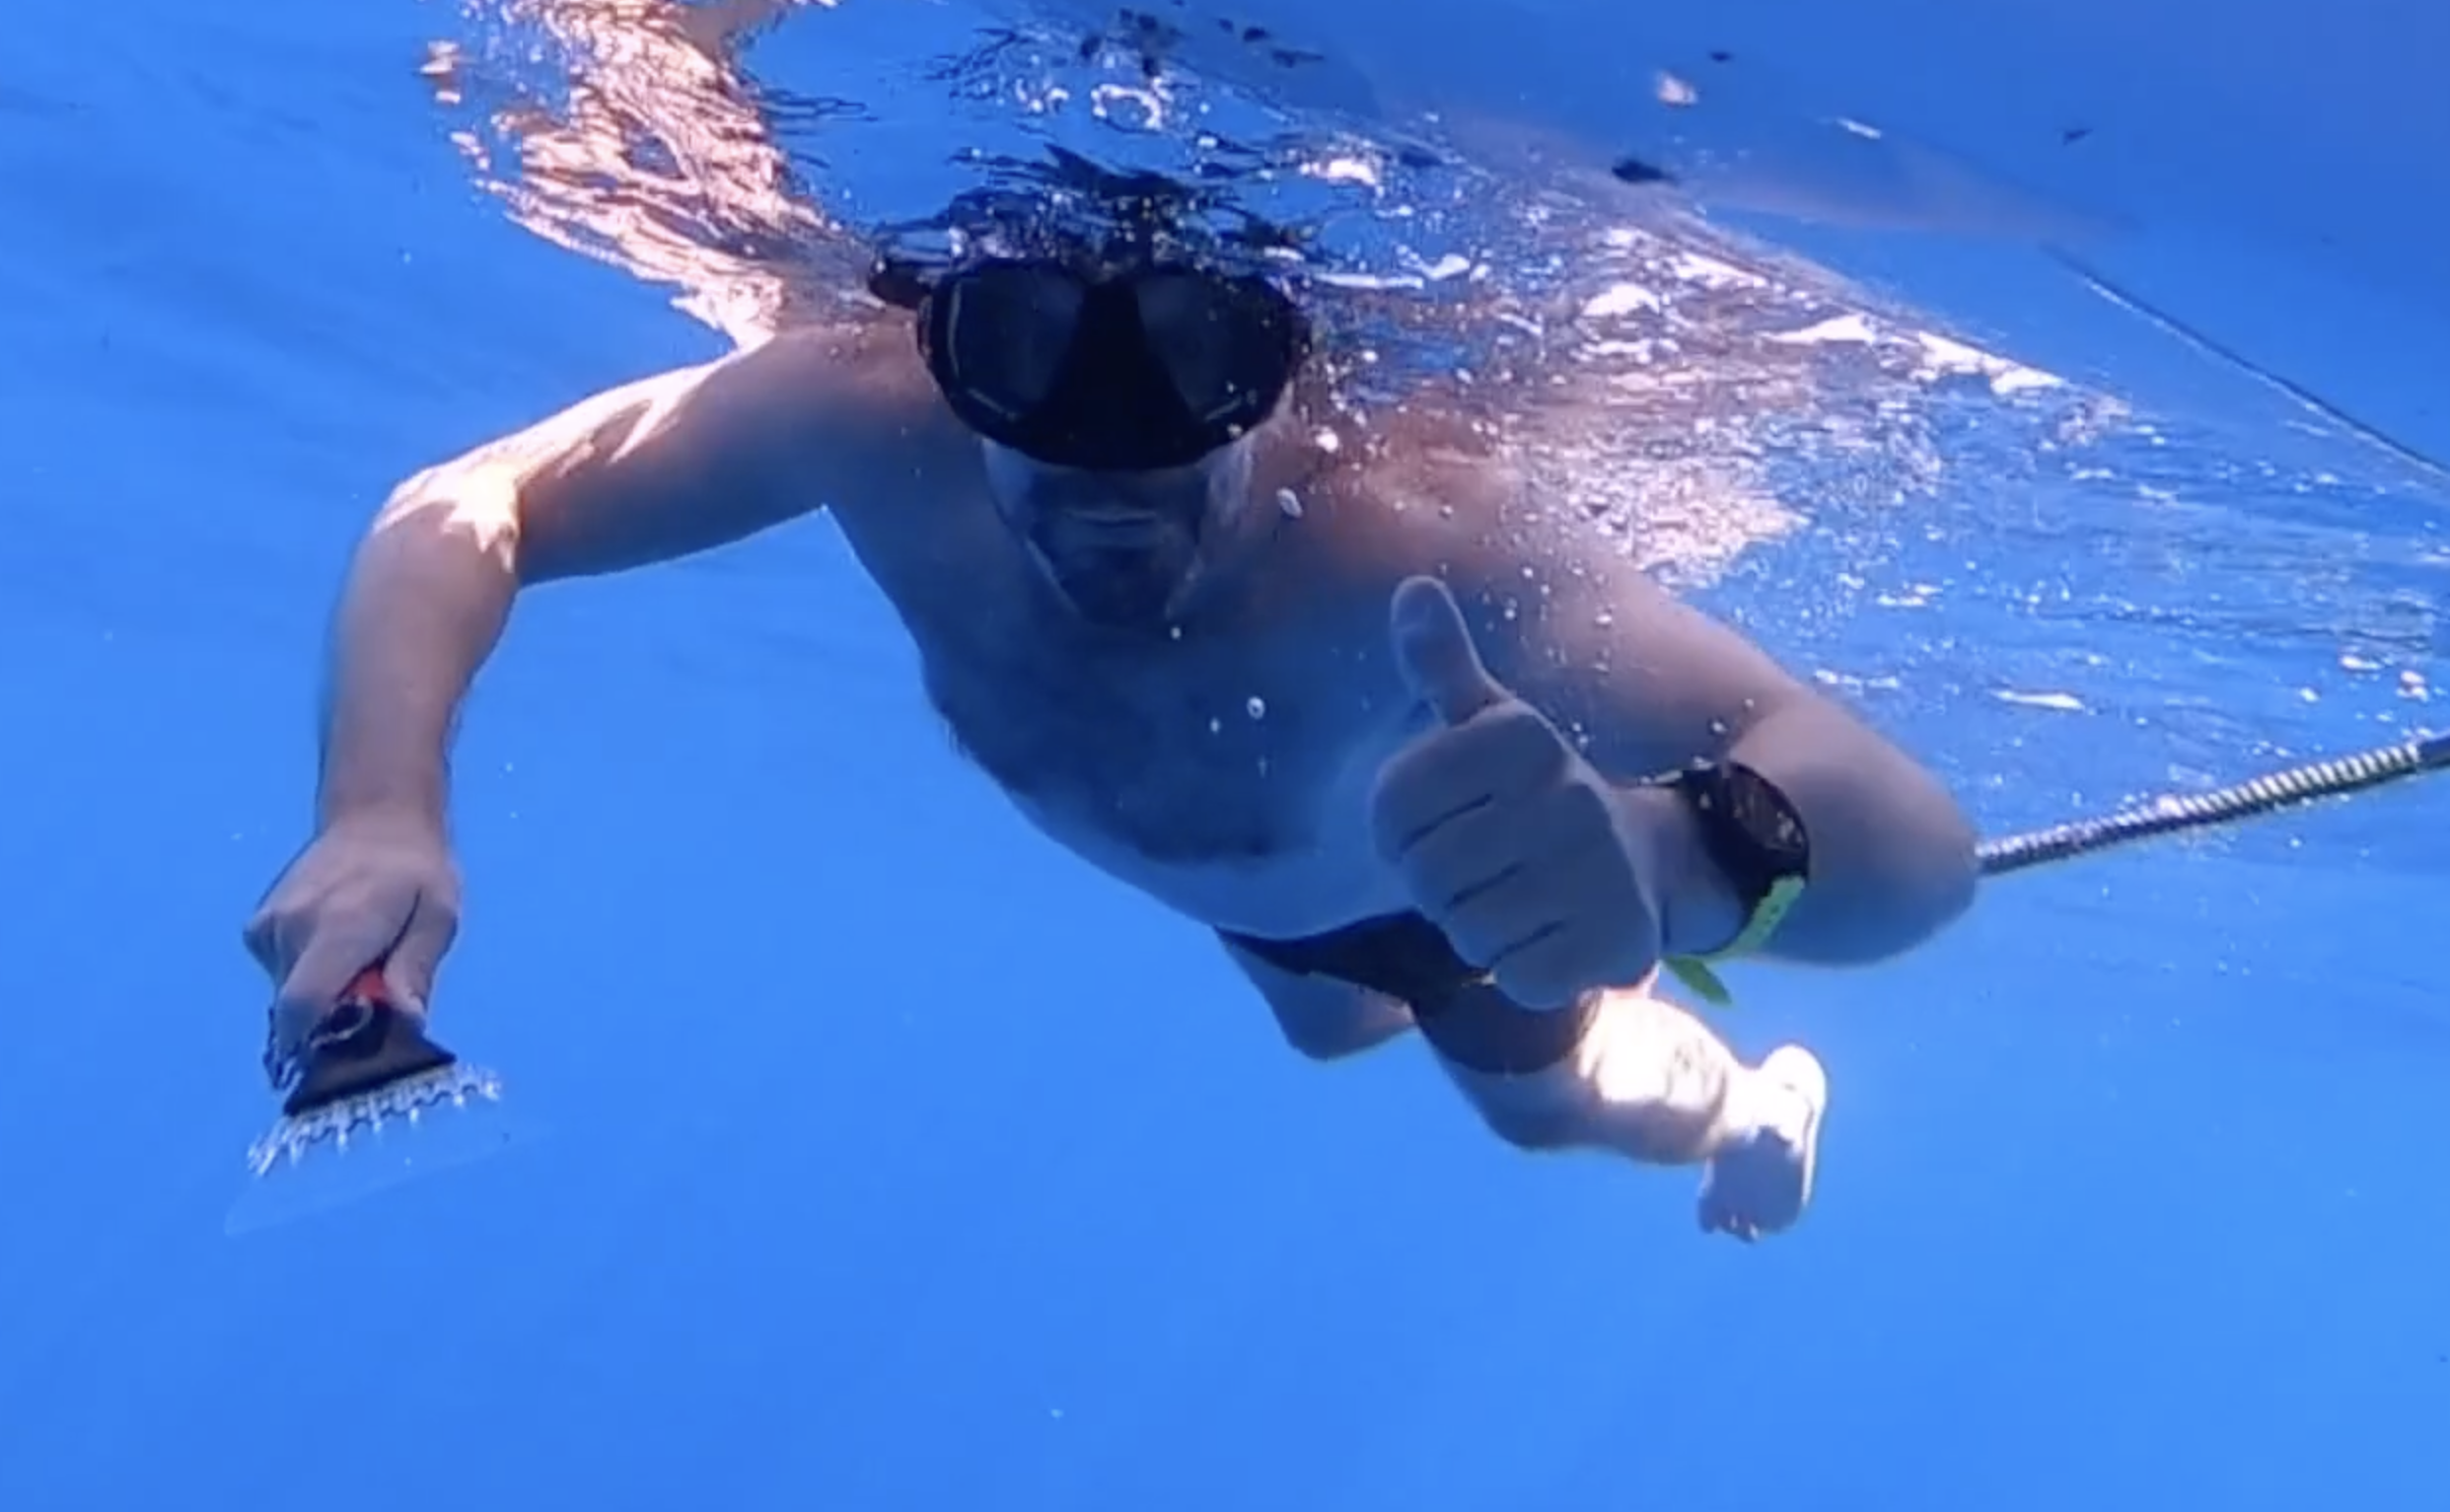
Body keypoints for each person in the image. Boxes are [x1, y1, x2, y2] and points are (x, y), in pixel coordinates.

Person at [243, 180, 1979, 1241]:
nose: (1105, 503)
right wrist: (377, 802)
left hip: (1446, 888)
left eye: (1176, 447)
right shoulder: (859, 415)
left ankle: (1743, 1092)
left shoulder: (1421, 532)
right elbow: (474, 503)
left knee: (1535, 1098)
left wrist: (1668, 856)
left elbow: (1914, 846)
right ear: (949, 367)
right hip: (1248, 904)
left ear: (1279, 397)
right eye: (1039, 423)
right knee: (1322, 1029)